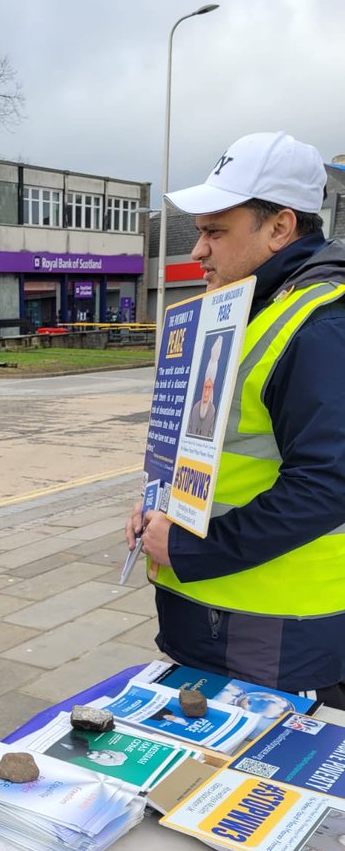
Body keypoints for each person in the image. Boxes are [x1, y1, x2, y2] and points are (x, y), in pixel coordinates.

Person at [127, 132, 345, 702]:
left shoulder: (318, 327)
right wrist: (159, 507)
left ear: (280, 228)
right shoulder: (249, 309)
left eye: (215, 231)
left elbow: (328, 484)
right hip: (222, 620)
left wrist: (194, 548)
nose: (198, 251)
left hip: (269, 635)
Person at [185, 336, 222, 438]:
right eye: (205, 388)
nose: (206, 394)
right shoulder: (196, 408)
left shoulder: (212, 411)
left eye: (209, 388)